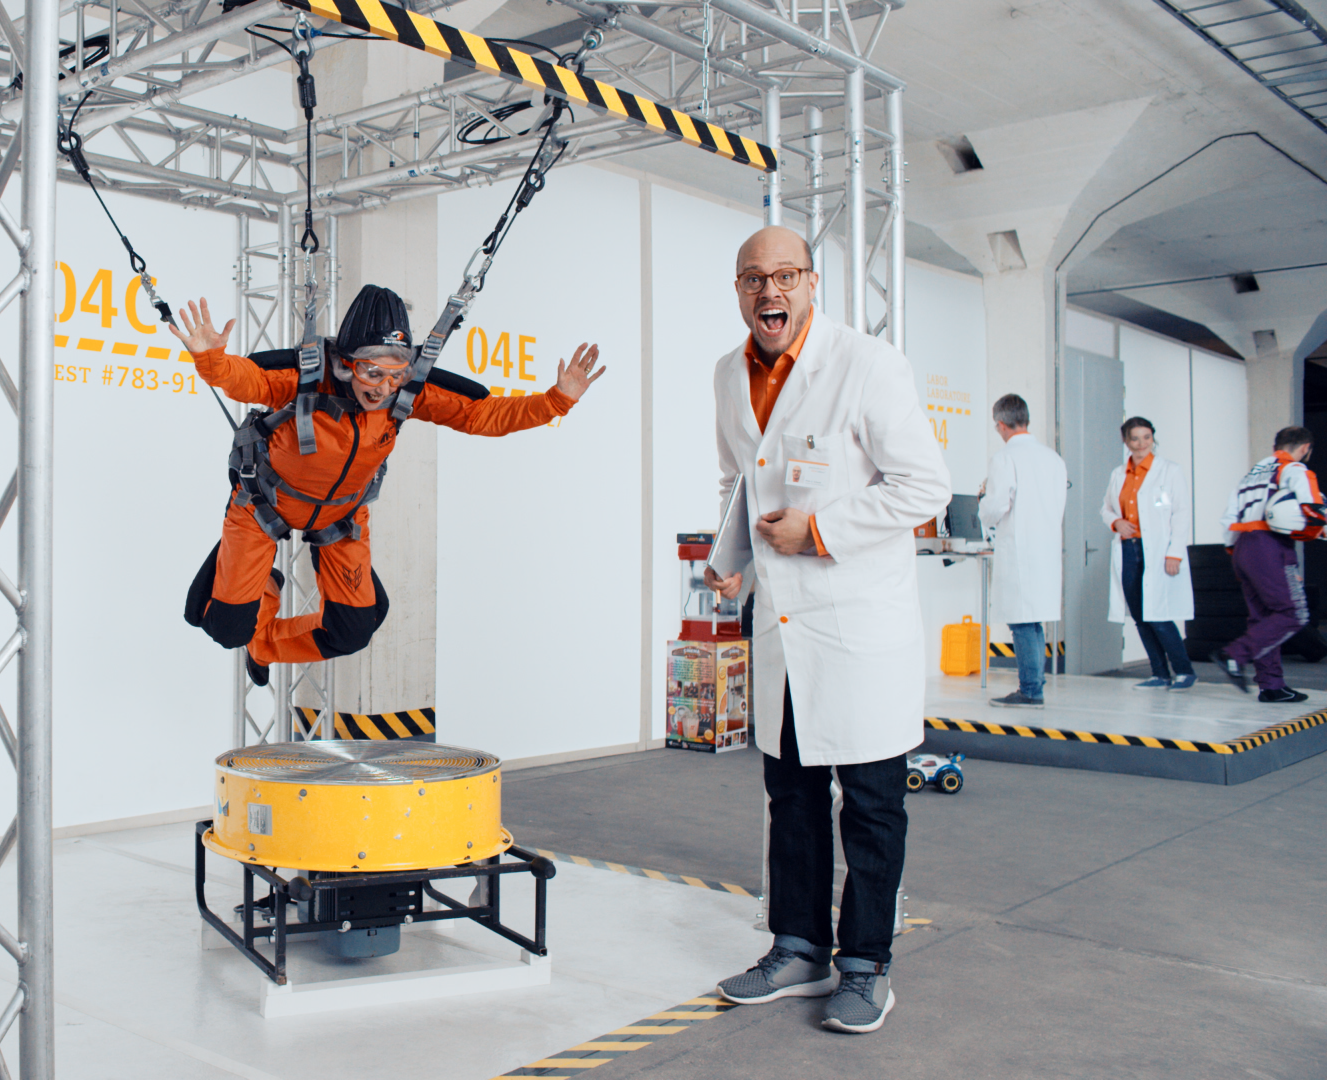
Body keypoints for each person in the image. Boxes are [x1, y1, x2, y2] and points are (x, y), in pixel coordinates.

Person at [703, 226, 950, 1035]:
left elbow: (925, 486)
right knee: (792, 797)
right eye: (753, 279)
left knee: (871, 804)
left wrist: (818, 530)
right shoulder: (728, 373)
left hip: (858, 623)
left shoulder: (867, 364)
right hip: (782, 627)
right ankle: (799, 947)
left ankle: (866, 966)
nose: (768, 291)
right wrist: (730, 557)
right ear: (739, 291)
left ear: (812, 283)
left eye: (785, 275)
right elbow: (738, 481)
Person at [174, 286, 604, 683]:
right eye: (372, 372)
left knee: (353, 630)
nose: (383, 388)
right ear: (346, 363)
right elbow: (246, 379)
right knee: (227, 629)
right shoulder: (306, 377)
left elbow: (481, 415)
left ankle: (264, 647)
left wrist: (556, 400)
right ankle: (263, 588)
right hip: (263, 506)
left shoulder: (406, 392)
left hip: (340, 518)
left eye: (396, 375)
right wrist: (212, 360)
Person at [1214, 426, 1324, 703]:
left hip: (1242, 546)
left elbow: (1228, 518)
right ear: (1305, 448)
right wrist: (1315, 531)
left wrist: (1238, 553)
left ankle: (1271, 686)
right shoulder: (1296, 470)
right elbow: (1313, 511)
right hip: (1270, 545)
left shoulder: (1250, 475)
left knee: (1262, 618)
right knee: (1294, 613)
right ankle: (1234, 655)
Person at [977, 394, 1067, 709]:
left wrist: (983, 502)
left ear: (1001, 424)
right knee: (1034, 621)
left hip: (1020, 550)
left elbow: (996, 506)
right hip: (1046, 550)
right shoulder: (1053, 459)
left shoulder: (1005, 458)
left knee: (1021, 622)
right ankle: (1034, 684)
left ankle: (1030, 690)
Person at [1099, 417, 1195, 689]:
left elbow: (1181, 513)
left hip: (1158, 552)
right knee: (1140, 617)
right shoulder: (1118, 474)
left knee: (1159, 616)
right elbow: (1106, 507)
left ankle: (1184, 671)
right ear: (1125, 441)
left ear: (1153, 438)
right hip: (1128, 550)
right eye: (1135, 438)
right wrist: (1115, 522)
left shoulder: (1169, 471)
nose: (1141, 444)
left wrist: (1174, 553)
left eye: (1146, 437)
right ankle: (1159, 674)